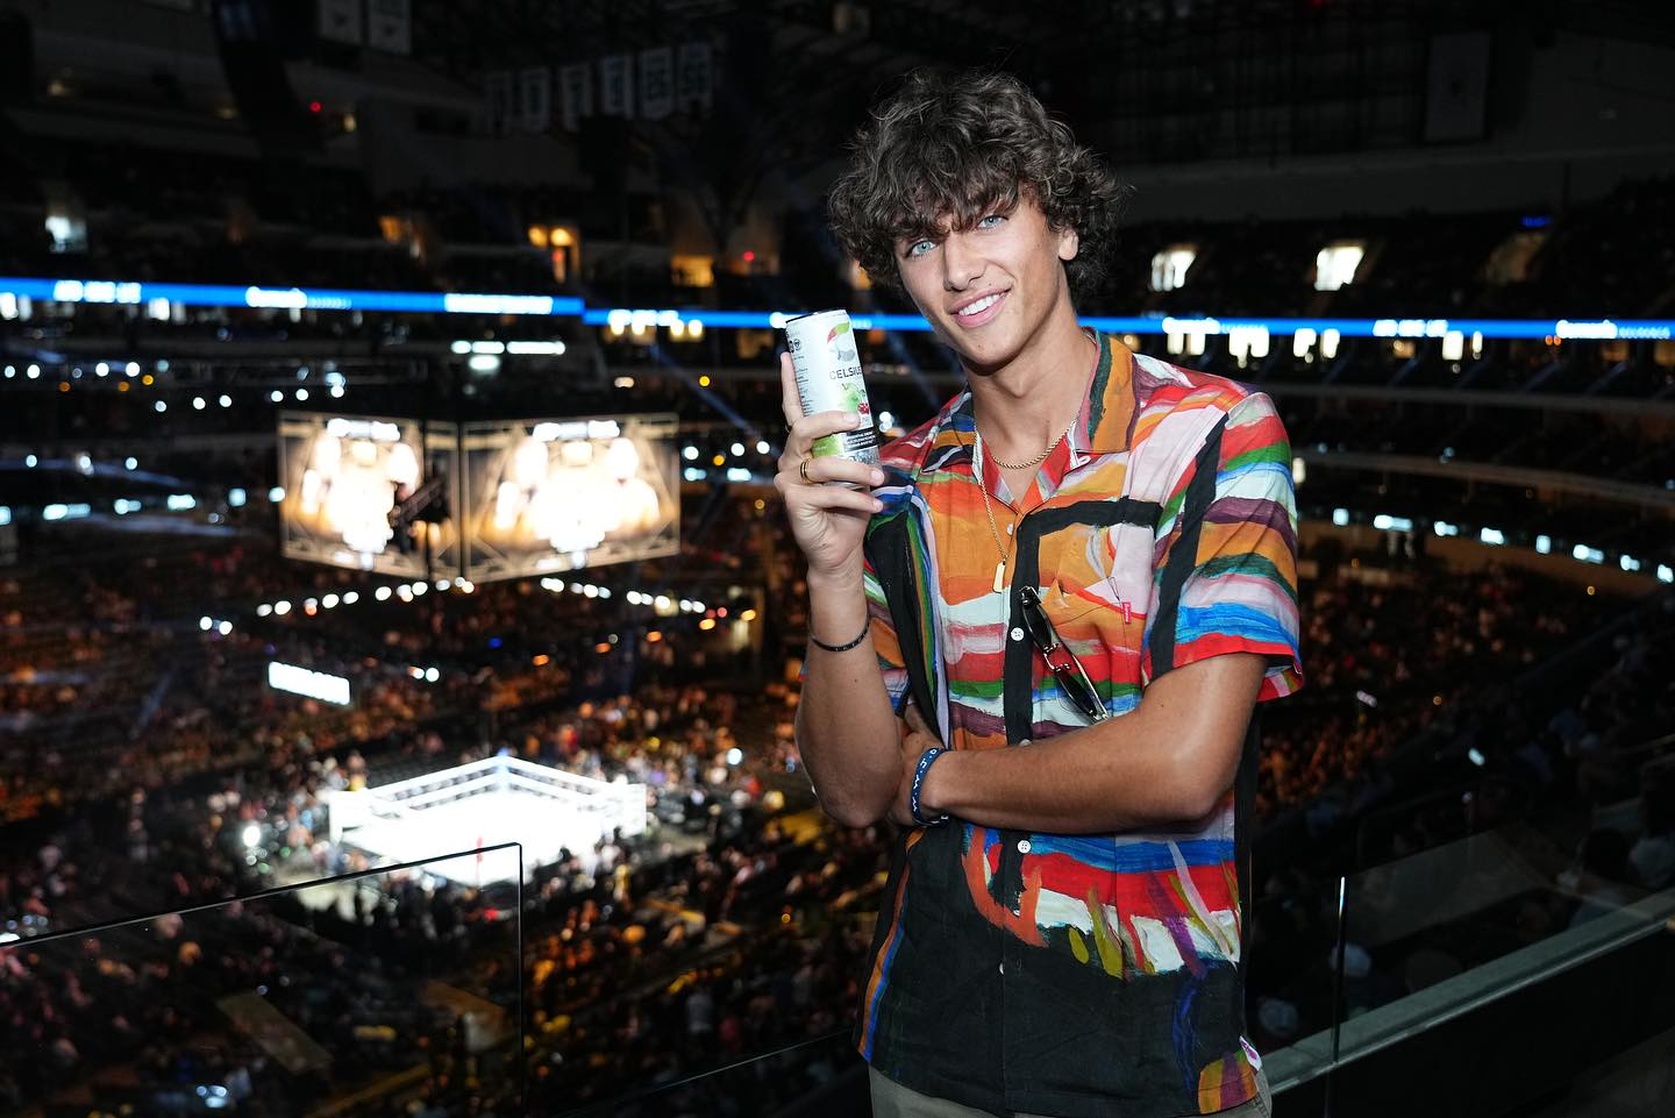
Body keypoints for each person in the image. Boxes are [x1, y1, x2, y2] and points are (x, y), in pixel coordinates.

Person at [776, 69, 1303, 1117]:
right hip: (930, 1045)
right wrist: (830, 572)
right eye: (919, 242)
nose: (956, 268)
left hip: (1151, 1054)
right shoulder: (896, 482)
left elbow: (1179, 766)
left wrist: (935, 778)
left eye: (985, 217)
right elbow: (851, 791)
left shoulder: (1212, 433)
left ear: (1062, 223)